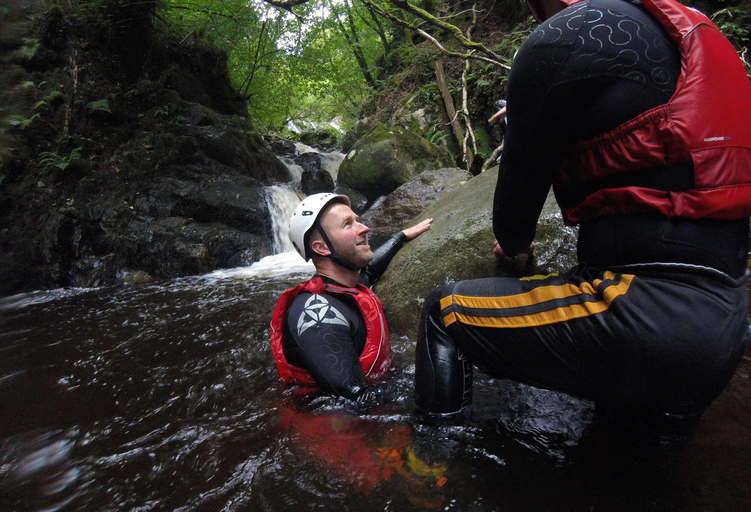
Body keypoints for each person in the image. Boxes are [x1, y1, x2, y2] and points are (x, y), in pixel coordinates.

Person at [414, 0, 751, 442]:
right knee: (624, 468)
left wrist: (524, 130)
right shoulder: (692, 30)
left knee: (443, 312)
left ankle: (426, 474)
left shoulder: (562, 35)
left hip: (641, 313)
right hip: (726, 317)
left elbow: (512, 228)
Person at [270, 192, 433, 402]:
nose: (365, 228)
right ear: (322, 247)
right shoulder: (316, 315)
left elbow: (371, 271)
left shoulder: (347, 286)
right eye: (348, 224)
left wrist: (399, 237)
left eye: (358, 220)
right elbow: (355, 400)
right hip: (340, 429)